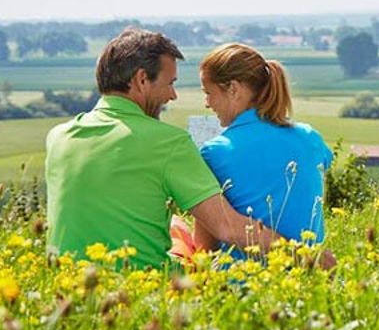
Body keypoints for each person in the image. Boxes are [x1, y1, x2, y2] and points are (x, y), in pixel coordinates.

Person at [45, 28, 333, 269]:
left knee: (175, 226)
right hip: (147, 283)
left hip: (68, 282)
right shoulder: (167, 142)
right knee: (177, 230)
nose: (173, 95)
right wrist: (309, 257)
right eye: (170, 83)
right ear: (142, 79)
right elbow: (227, 228)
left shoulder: (58, 138)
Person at [196, 43, 331, 254]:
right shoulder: (310, 138)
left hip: (244, 272)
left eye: (208, 93)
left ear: (233, 89)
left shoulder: (215, 152)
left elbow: (204, 246)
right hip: (312, 268)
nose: (207, 103)